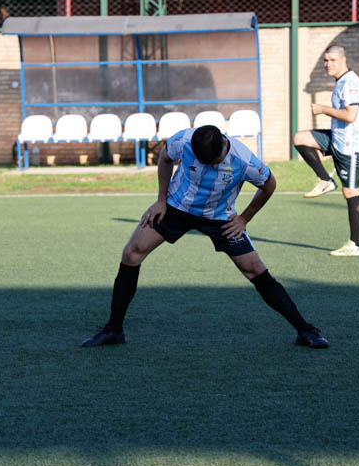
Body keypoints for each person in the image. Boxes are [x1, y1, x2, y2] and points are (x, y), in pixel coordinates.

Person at [81, 124, 329, 349]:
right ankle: (114, 329)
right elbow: (165, 159)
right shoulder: (182, 140)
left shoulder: (244, 160)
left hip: (219, 217)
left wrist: (244, 219)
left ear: (224, 143)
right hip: (177, 208)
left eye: (215, 161)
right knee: (131, 253)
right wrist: (160, 201)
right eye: (204, 162)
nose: (211, 166)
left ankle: (305, 329)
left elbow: (269, 185)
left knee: (254, 269)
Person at [293, 45, 359, 257]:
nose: (328, 64)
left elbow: (351, 115)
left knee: (350, 192)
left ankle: (356, 245)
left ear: (343, 59)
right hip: (337, 138)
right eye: (326, 61)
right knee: (300, 138)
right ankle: (325, 180)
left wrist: (323, 109)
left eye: (332, 60)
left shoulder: (351, 82)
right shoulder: (341, 81)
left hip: (350, 146)